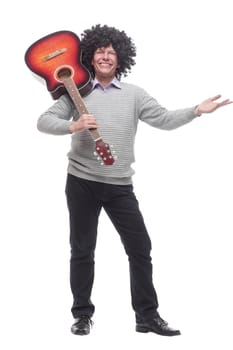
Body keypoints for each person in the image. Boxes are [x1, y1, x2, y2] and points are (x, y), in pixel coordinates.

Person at [37, 24, 232, 336]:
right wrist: (72, 127)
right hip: (81, 182)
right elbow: (44, 121)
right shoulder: (76, 91)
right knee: (82, 249)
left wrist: (197, 110)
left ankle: (147, 316)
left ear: (120, 59)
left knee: (140, 247)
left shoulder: (134, 95)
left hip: (119, 186)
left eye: (111, 52)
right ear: (89, 56)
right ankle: (82, 315)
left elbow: (165, 119)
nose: (105, 56)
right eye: (99, 51)